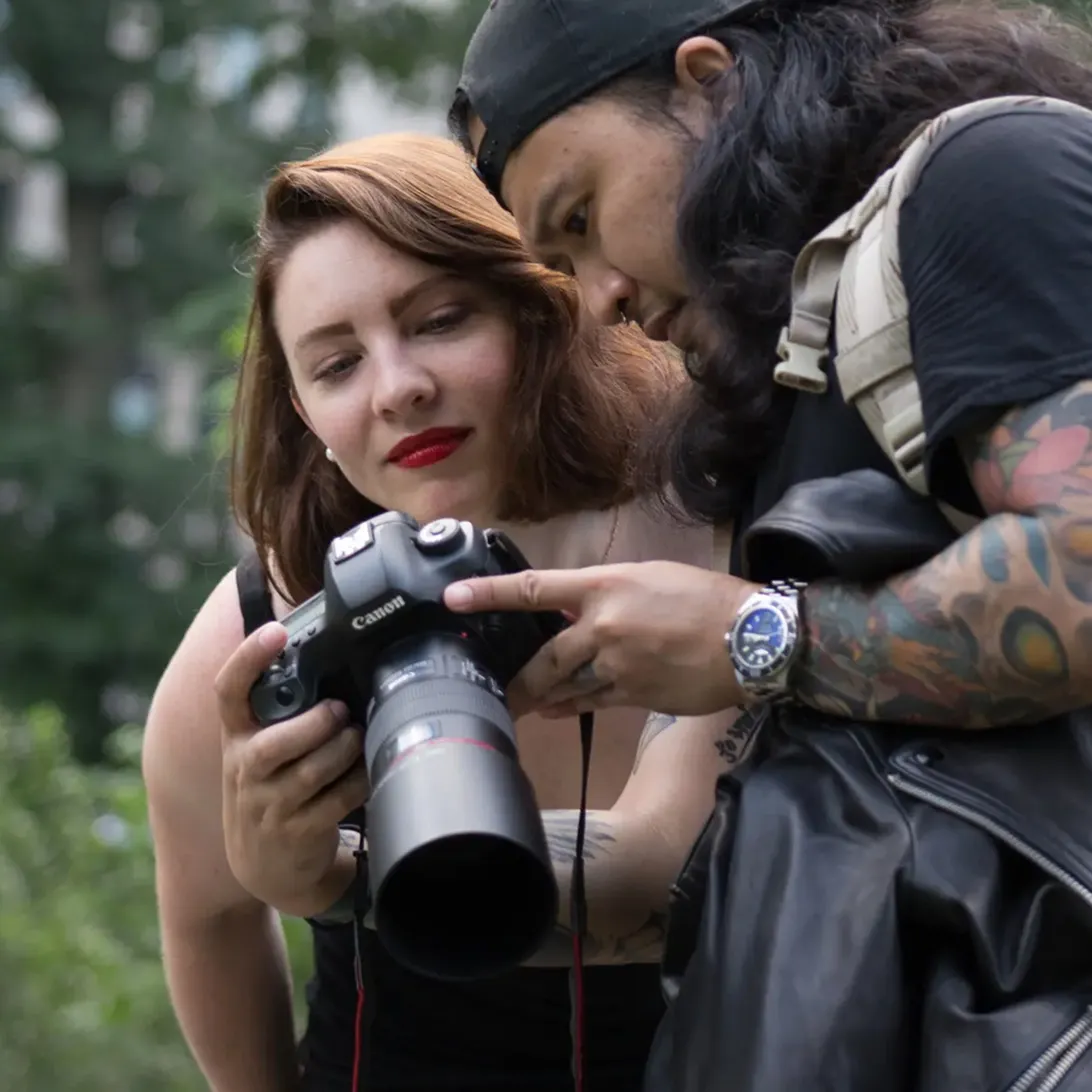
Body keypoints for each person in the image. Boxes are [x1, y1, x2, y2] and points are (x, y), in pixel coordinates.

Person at [444, 0, 1092, 1089]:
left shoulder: (988, 171)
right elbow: (675, 866)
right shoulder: (800, 363)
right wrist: (347, 861)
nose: (597, 300)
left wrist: (760, 638)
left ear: (710, 83)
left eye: (584, 217)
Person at [141, 132, 746, 1092]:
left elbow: (664, 871)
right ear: (303, 411)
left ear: (538, 307)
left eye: (440, 320)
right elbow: (209, 913)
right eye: (336, 366)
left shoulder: (717, 533)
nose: (399, 387)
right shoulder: (264, 628)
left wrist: (334, 879)